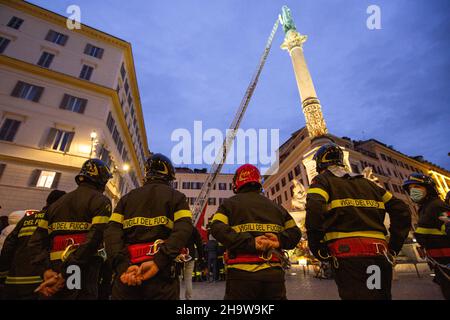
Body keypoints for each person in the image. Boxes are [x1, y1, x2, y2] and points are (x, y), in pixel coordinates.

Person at [305, 143, 411, 300]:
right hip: (379, 253)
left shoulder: (322, 180)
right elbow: (402, 209)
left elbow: (314, 208)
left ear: (320, 163)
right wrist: (394, 246)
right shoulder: (369, 184)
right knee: (380, 296)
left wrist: (316, 244)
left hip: (348, 256)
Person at [104, 153, 193, 300]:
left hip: (127, 276)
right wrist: (159, 261)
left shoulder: (126, 199)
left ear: (146, 174)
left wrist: (123, 267)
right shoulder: (177, 198)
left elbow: (111, 233)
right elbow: (184, 229)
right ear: (169, 176)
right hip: (162, 278)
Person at [211, 164, 301, 300]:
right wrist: (279, 240)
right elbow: (295, 233)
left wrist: (250, 243)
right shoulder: (277, 207)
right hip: (274, 275)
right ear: (258, 182)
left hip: (241, 275)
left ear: (237, 183)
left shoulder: (229, 204)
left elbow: (216, 227)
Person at [29, 159, 112, 299]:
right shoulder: (101, 201)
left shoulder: (56, 205)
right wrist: (67, 273)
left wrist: (46, 271)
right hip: (81, 271)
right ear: (102, 180)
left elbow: (35, 242)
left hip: (53, 271)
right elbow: (94, 239)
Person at [0, 190, 66, 300]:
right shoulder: (58, 221)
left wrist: (2, 275)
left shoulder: (27, 219)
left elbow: (8, 247)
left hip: (13, 282)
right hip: (41, 284)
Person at [403, 173, 450, 299]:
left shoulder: (436, 206)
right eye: (410, 189)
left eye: (417, 187)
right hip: (440, 264)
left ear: (429, 189)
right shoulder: (425, 208)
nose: (413, 191)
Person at [181, 227, 203, 300]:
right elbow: (199, 243)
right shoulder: (193, 229)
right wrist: (201, 256)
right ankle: (188, 298)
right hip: (190, 256)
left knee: (178, 278)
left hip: (179, 256)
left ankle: (176, 297)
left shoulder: (178, 227)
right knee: (188, 279)